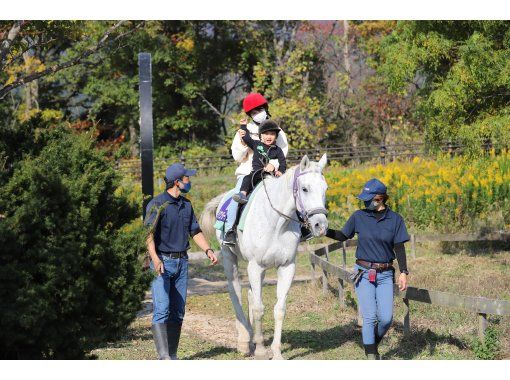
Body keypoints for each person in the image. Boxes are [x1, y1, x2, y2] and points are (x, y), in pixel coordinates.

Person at [325, 178, 410, 359]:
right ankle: (371, 357)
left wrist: (403, 272)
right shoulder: (359, 216)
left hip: (386, 274)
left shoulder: (395, 220)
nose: (364, 202)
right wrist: (325, 231)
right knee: (370, 317)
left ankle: (371, 345)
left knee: (386, 319)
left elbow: (399, 247)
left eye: (368, 198)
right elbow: (342, 235)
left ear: (379, 199)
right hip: (363, 273)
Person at [144, 163, 219, 360]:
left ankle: (173, 355)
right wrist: (155, 259)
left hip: (181, 263)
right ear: (177, 182)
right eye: (187, 179)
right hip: (161, 263)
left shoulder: (186, 205)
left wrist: (208, 249)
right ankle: (164, 358)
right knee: (162, 308)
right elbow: (148, 234)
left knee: (178, 311)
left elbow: (194, 231)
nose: (190, 181)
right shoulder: (157, 204)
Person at [223, 92, 289, 244]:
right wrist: (243, 143)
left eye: (260, 110)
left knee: (291, 193)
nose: (258, 114)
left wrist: (275, 164)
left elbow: (283, 152)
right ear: (250, 115)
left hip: (271, 173)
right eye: (254, 112)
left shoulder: (277, 130)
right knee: (237, 196)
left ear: (265, 109)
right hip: (249, 172)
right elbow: (237, 157)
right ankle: (230, 230)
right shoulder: (244, 131)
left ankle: (301, 228)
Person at [232, 119, 286, 204]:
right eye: (266, 134)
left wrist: (280, 171)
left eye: (272, 134)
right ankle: (242, 194)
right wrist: (243, 126)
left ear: (276, 136)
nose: (269, 137)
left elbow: (283, 162)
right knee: (247, 178)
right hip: (256, 173)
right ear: (261, 136)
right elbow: (246, 138)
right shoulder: (257, 144)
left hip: (271, 175)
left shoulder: (278, 150)